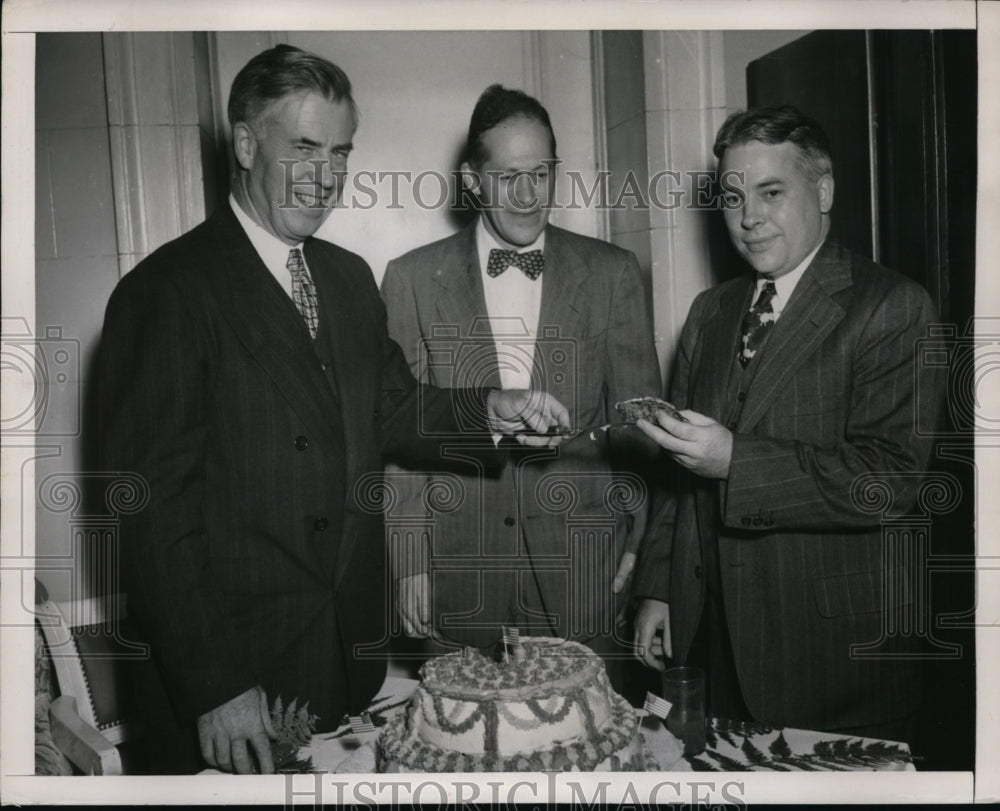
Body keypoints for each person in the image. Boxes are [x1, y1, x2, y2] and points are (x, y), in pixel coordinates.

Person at [95, 46, 569, 775]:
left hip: (344, 657)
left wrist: (493, 409)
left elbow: (395, 408)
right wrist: (214, 684)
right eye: (305, 148)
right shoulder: (166, 292)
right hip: (235, 682)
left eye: (340, 151)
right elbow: (149, 516)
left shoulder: (346, 280)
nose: (326, 177)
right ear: (247, 143)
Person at [632, 105, 945, 742]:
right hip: (712, 645)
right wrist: (659, 589)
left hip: (834, 660)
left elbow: (887, 480)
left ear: (823, 190)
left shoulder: (891, 304)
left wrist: (735, 461)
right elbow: (675, 467)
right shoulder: (710, 311)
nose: (748, 218)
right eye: (733, 197)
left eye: (772, 192)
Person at [381, 84, 662, 688]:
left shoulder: (613, 274)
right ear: (472, 180)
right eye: (510, 176)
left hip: (585, 577)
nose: (530, 195)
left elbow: (640, 425)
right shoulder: (409, 279)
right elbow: (400, 434)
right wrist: (408, 564)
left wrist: (640, 546)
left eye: (543, 173)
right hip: (456, 577)